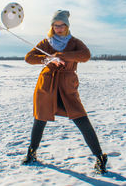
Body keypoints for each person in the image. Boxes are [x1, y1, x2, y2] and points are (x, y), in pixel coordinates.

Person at [22, 10, 108, 174]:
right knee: (40, 119)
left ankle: (100, 157)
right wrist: (47, 59)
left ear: (67, 26)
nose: (58, 29)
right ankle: (31, 154)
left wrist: (62, 55)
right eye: (55, 25)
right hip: (47, 86)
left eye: (61, 25)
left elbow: (86, 55)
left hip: (67, 87)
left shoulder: (75, 42)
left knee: (81, 118)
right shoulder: (46, 42)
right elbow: (29, 57)